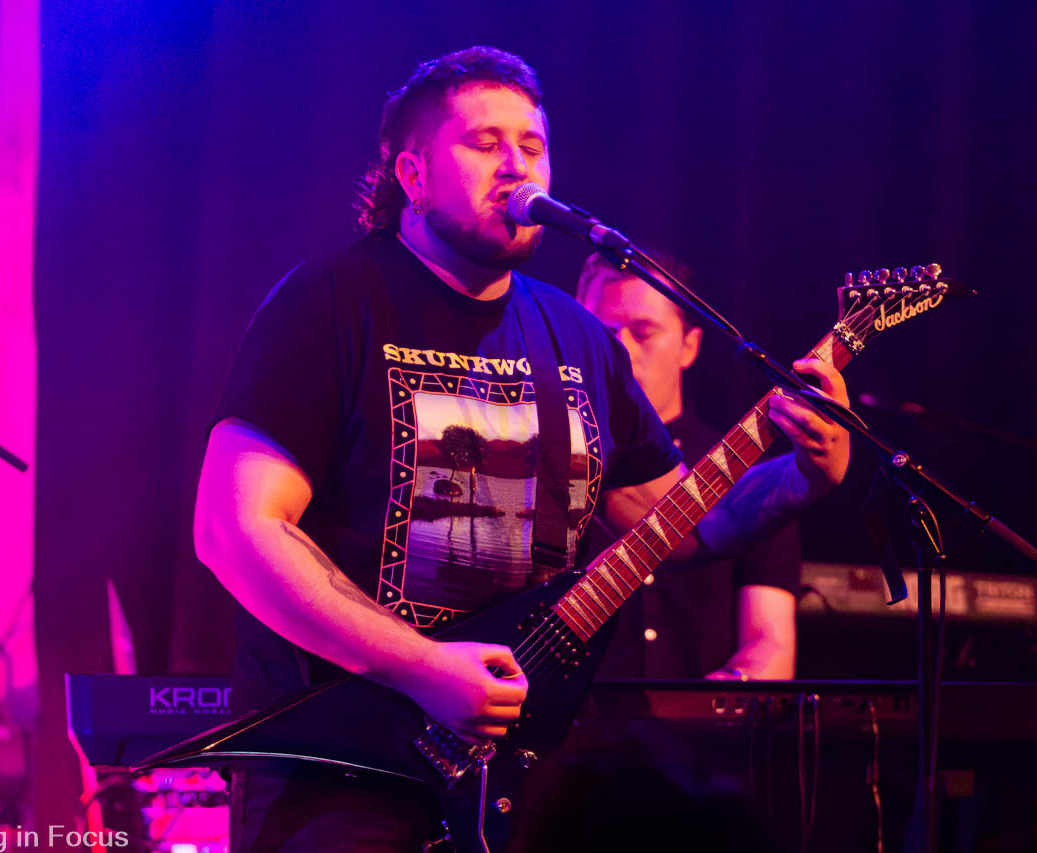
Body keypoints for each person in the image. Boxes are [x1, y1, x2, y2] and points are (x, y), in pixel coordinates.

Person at [194, 46, 849, 851]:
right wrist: (423, 667)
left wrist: (808, 473)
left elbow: (682, 523)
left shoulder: (578, 337)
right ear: (412, 174)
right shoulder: (329, 302)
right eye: (484, 142)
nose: (516, 164)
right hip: (342, 768)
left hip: (514, 775)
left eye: (532, 145)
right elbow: (236, 528)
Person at [576, 251, 801, 681]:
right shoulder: (549, 461)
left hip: (702, 725)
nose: (621, 351)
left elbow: (770, 644)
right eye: (604, 333)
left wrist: (725, 696)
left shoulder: (742, 473)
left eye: (643, 332)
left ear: (689, 345)